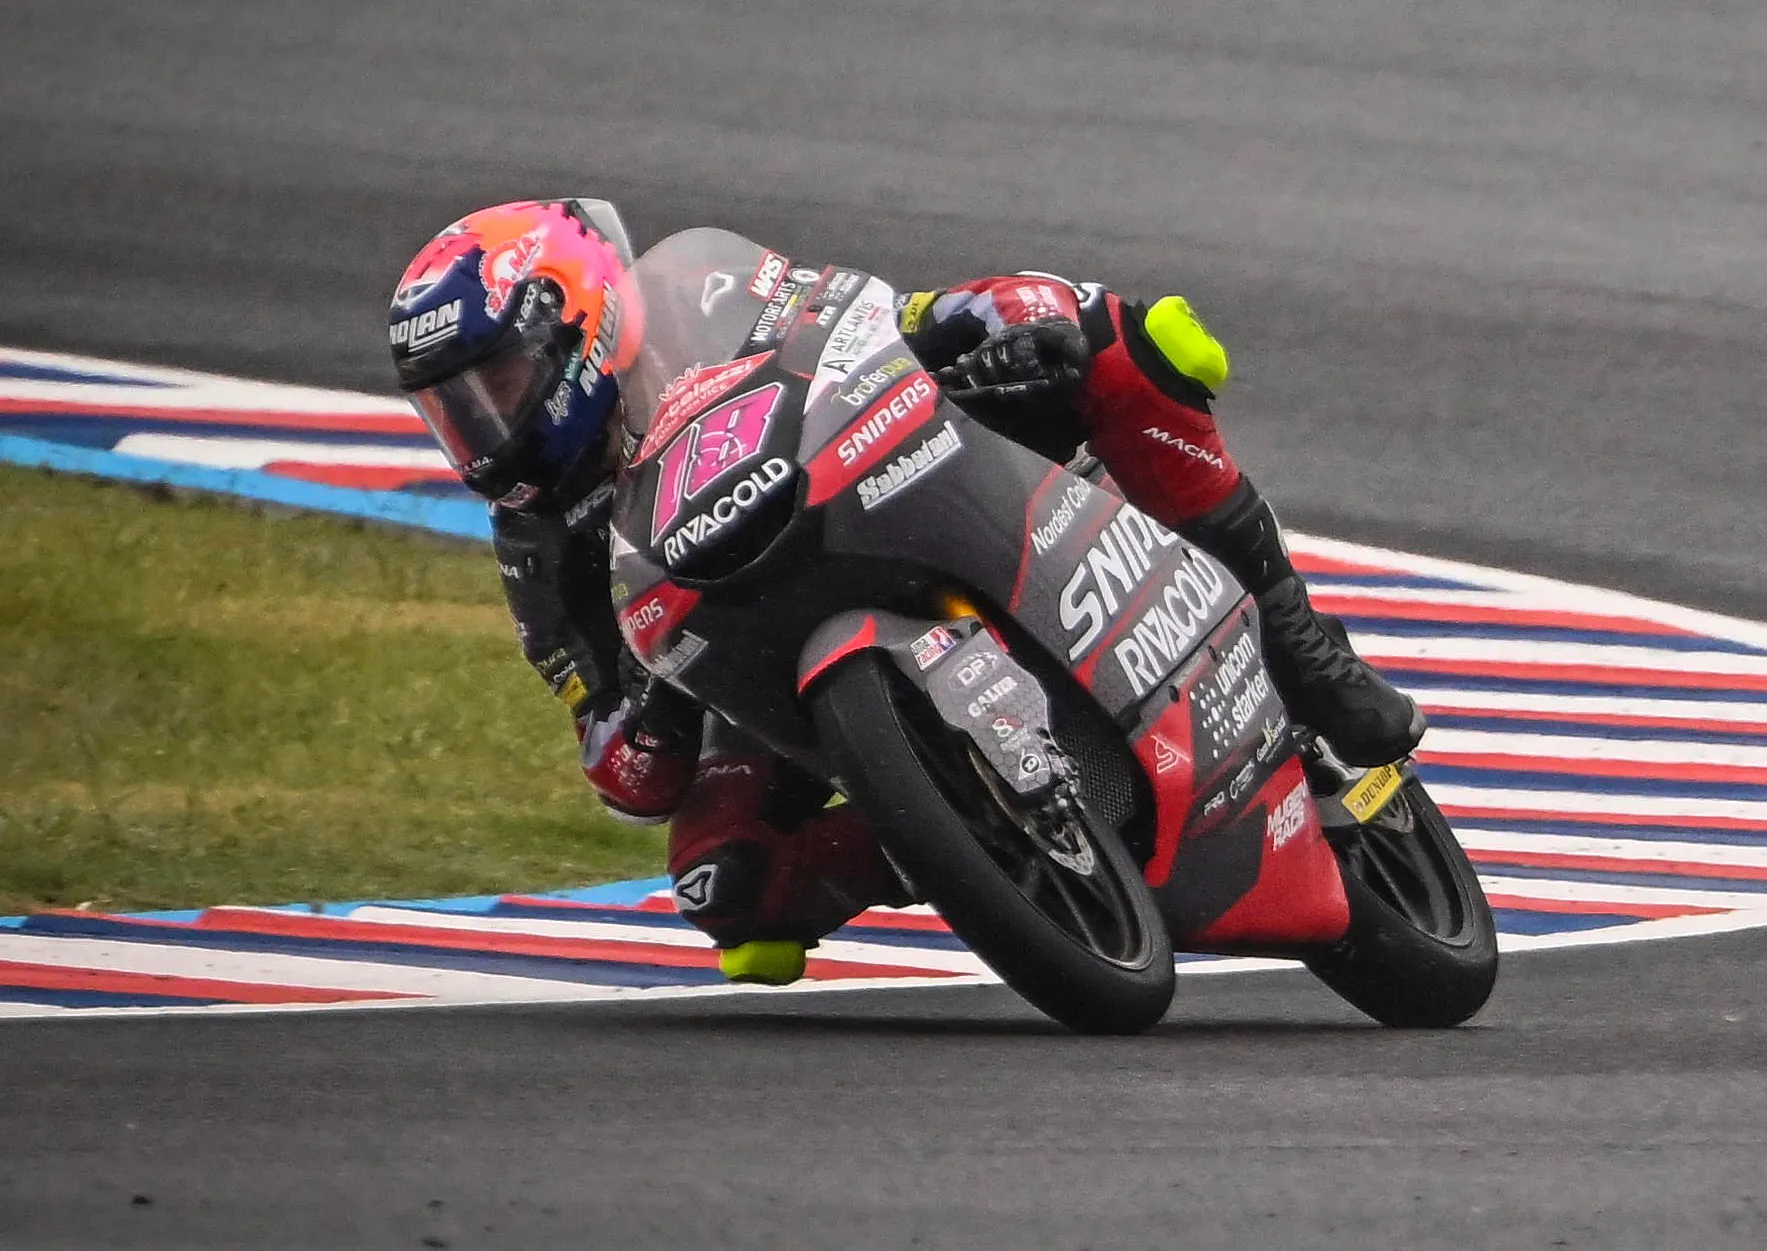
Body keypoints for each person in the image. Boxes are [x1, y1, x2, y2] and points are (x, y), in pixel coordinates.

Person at [388, 198, 1424, 984]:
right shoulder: (535, 541)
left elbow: (881, 315)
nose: (480, 427)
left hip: (886, 478)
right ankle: (952, 836)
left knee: (1118, 339)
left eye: (499, 385)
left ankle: (1299, 643)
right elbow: (618, 763)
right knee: (727, 884)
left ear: (582, 321)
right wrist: (646, 691)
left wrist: (975, 331)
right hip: (750, 665)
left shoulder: (698, 297)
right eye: (452, 409)